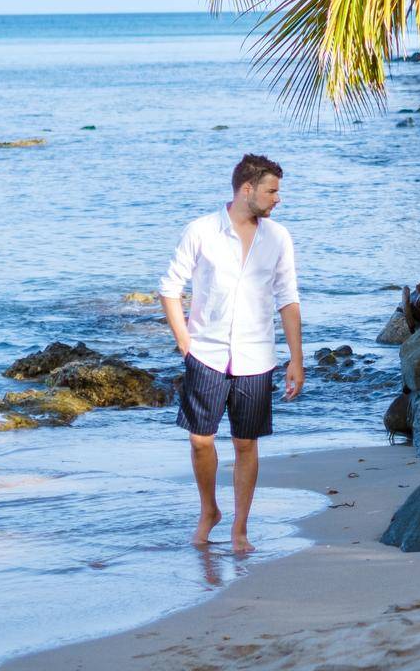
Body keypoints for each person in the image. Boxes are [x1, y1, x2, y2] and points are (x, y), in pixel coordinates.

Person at [159, 152, 304, 554]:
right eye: (272, 190)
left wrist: (297, 358)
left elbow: (288, 299)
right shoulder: (202, 230)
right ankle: (209, 510)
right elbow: (170, 288)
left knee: (245, 443)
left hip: (256, 355)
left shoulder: (278, 237)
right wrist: (184, 342)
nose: (278, 199)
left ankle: (240, 527)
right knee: (200, 440)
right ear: (247, 189)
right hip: (205, 352)